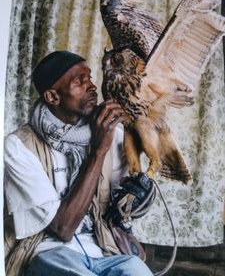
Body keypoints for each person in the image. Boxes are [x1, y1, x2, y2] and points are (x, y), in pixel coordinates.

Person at [4, 50, 153, 276]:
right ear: (53, 97)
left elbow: (118, 207)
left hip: (101, 249)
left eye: (90, 78)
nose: (92, 86)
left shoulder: (111, 134)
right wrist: (98, 150)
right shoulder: (19, 146)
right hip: (47, 251)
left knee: (137, 270)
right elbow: (61, 229)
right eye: (79, 82)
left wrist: (138, 195)